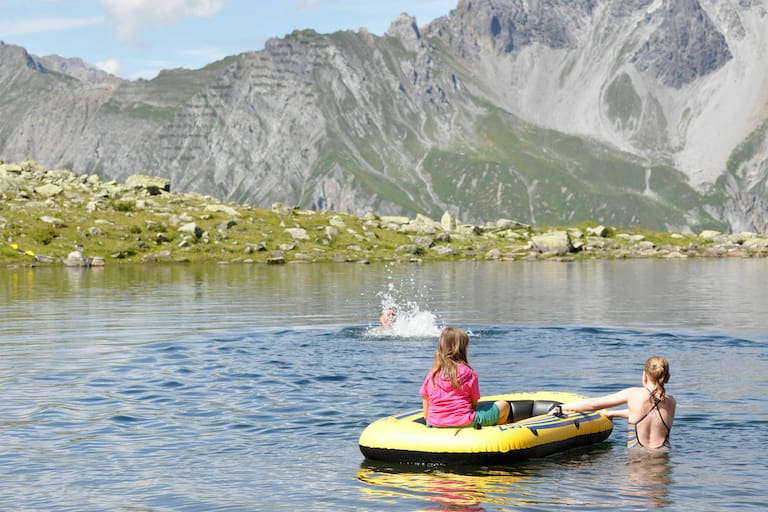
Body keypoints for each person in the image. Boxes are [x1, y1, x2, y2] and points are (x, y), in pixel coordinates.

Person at [551, 356, 676, 449]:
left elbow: (594, 404)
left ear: (644, 376)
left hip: (638, 457)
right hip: (662, 456)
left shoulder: (633, 394)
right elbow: (647, 415)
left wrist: (562, 407)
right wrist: (613, 414)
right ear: (667, 378)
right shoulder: (671, 402)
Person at [419, 327, 510, 428]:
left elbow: (426, 407)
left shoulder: (432, 374)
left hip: (434, 423)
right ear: (462, 349)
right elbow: (474, 404)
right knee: (504, 405)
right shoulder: (469, 373)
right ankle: (494, 433)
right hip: (464, 421)